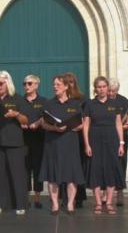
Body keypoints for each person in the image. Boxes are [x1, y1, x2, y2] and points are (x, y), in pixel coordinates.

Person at [0, 71, 29, 215]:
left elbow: (26, 120)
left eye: (1, 83)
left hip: (14, 141)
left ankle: (20, 204)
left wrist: (16, 114)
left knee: (17, 173)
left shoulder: (18, 99)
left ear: (8, 83)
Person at [39, 75, 85, 215]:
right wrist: (55, 128)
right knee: (53, 175)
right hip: (53, 143)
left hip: (70, 143)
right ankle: (55, 204)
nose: (55, 87)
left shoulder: (74, 104)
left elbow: (82, 123)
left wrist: (72, 127)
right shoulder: (49, 104)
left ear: (66, 86)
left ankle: (70, 204)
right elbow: (43, 123)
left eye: (58, 84)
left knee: (71, 175)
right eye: (54, 84)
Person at [83, 76, 125, 215]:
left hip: (112, 140)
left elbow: (118, 124)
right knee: (95, 169)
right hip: (95, 139)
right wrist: (87, 144)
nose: (101, 89)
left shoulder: (115, 104)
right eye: (99, 87)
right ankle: (98, 203)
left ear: (108, 88)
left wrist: (121, 143)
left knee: (111, 169)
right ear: (95, 89)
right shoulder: (89, 104)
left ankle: (109, 203)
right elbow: (86, 125)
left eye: (104, 86)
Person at [21, 75, 47, 208]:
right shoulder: (19, 101)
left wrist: (38, 123)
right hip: (23, 139)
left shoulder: (43, 101)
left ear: (37, 85)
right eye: (24, 84)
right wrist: (21, 124)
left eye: (30, 84)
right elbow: (16, 117)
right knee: (25, 169)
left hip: (38, 139)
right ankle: (25, 198)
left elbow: (46, 117)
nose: (27, 86)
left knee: (37, 168)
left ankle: (37, 199)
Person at [63, 72, 87, 207]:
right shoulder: (60, 99)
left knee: (77, 168)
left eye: (71, 82)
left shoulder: (82, 99)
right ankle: (64, 198)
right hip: (62, 137)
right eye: (66, 83)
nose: (69, 85)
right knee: (63, 167)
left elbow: (86, 119)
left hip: (77, 138)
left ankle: (78, 198)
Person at [108, 78, 128, 206]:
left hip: (122, 137)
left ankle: (120, 193)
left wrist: (122, 127)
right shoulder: (101, 100)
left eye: (113, 91)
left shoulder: (124, 101)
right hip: (105, 136)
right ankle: (105, 193)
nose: (110, 93)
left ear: (117, 90)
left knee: (121, 164)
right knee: (106, 164)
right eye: (109, 90)